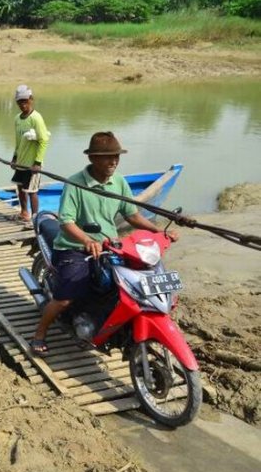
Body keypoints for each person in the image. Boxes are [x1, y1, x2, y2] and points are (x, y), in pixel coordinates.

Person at [30, 132, 179, 354]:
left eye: (116, 157)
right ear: (92, 159)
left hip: (110, 246)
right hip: (74, 248)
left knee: (131, 285)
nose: (113, 162)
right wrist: (88, 241)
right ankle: (39, 333)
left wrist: (160, 231)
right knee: (66, 298)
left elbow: (132, 216)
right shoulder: (75, 184)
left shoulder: (119, 182)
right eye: (107, 157)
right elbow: (67, 222)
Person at [11, 84, 49, 223]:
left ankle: (35, 218)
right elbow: (17, 140)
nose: (23, 104)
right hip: (21, 161)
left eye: (25, 101)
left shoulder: (36, 118)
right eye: (20, 102)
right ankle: (24, 213)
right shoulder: (17, 119)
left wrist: (38, 162)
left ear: (31, 99)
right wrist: (15, 157)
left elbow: (43, 140)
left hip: (32, 164)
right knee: (20, 188)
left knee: (32, 191)